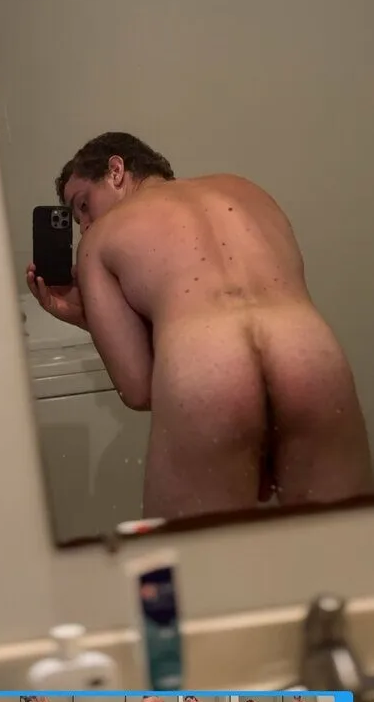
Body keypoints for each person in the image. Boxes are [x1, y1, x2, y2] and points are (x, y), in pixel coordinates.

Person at [27, 132, 373, 519]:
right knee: (340, 548)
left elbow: (139, 390)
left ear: (116, 170)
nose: (86, 226)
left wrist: (87, 318)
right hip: (310, 355)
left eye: (84, 206)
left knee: (203, 557)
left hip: (207, 368)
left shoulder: (99, 241)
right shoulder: (246, 190)